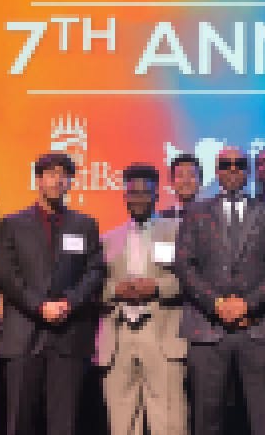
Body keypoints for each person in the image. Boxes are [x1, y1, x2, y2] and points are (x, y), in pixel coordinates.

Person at [175, 146, 265, 435]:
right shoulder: (195, 212)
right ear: (217, 171)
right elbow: (185, 266)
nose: (233, 169)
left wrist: (247, 305)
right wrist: (217, 304)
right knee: (206, 419)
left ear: (248, 170)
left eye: (239, 164)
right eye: (225, 165)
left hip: (259, 327)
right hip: (207, 328)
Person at [0, 153, 105, 435]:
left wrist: (69, 302)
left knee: (65, 424)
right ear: (38, 180)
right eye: (51, 173)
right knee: (19, 421)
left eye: (64, 174)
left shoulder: (85, 225)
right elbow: (8, 276)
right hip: (24, 335)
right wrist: (40, 305)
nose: (58, 179)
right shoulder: (13, 224)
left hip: (69, 337)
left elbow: (94, 271)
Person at [100, 164, 188, 435]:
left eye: (144, 193)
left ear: (156, 195)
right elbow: (95, 286)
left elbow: (191, 278)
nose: (138, 199)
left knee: (169, 420)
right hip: (119, 334)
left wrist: (156, 286)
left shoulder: (177, 231)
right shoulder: (108, 239)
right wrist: (116, 290)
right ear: (124, 197)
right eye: (132, 193)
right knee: (122, 420)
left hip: (161, 332)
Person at [160, 153, 202, 219]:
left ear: (200, 181)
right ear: (171, 181)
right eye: (180, 175)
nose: (186, 181)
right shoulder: (164, 217)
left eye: (191, 175)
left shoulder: (210, 213)